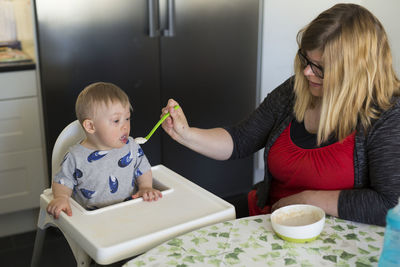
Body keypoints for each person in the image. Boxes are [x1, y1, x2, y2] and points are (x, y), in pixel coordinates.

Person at [161, 3, 400, 226]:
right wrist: (186, 134)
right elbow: (240, 140)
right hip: (266, 217)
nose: (306, 72)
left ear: (355, 73)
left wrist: (307, 200)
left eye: (320, 67)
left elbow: (389, 204)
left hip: (327, 237)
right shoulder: (295, 90)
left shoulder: (388, 116)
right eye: (306, 59)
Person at [47, 82, 162, 219]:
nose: (125, 126)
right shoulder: (75, 156)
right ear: (90, 126)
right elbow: (63, 181)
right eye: (116, 121)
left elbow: (143, 169)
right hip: (92, 219)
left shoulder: (131, 146)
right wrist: (61, 197)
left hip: (131, 212)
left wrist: (145, 187)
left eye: (127, 118)